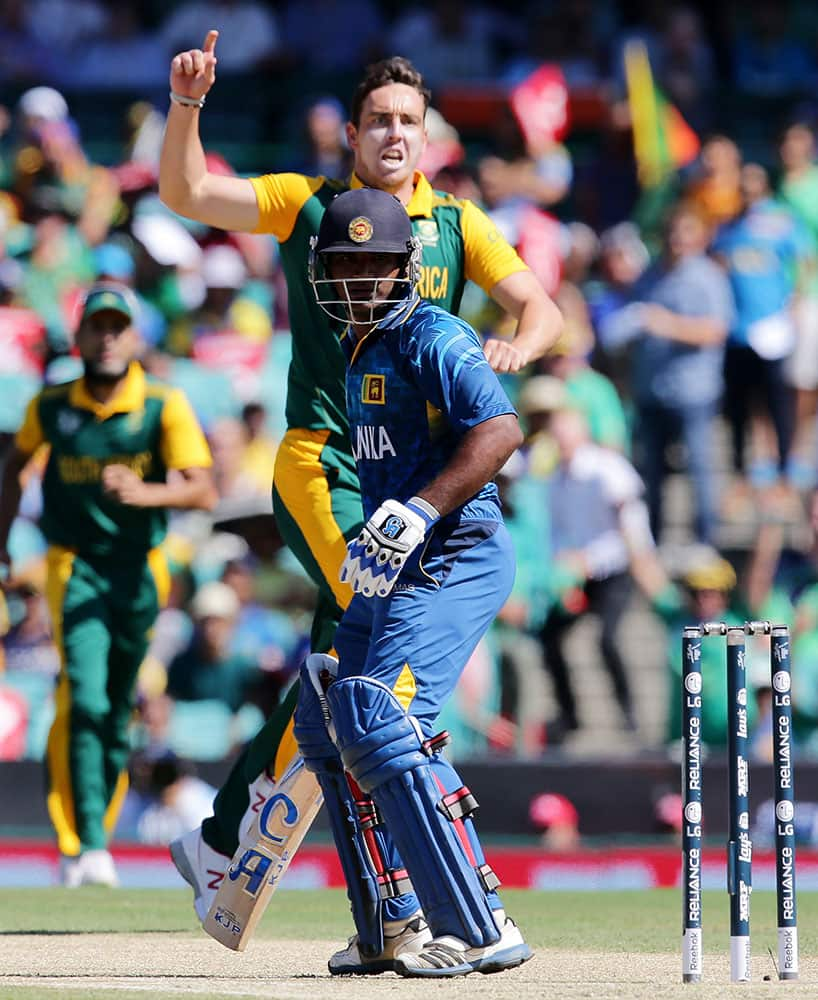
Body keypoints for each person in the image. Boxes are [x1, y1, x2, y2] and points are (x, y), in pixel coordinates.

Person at [159, 32, 562, 916]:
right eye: (377, 119)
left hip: (397, 485)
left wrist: (515, 349)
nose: (393, 134)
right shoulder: (309, 204)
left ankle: (224, 838)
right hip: (319, 458)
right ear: (350, 132)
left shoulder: (458, 223)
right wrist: (189, 104)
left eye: (408, 121)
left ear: (430, 136)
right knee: (365, 635)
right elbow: (185, 191)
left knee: (344, 663)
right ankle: (376, 878)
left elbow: (543, 308)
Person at [294, 186, 530, 976]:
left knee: (381, 716)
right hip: (397, 559)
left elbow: (500, 428)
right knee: (328, 712)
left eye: (376, 262)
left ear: (406, 270)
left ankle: (477, 923)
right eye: (346, 261)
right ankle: (392, 921)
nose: (360, 277)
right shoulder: (357, 345)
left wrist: (418, 512)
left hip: (456, 552)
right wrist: (382, 527)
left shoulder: (434, 333)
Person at [0, 283, 216, 887]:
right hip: (75, 567)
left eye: (119, 325)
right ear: (80, 336)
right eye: (98, 325)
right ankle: (86, 842)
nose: (109, 335)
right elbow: (15, 463)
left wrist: (146, 492)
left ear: (137, 335)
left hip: (141, 569)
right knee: (87, 698)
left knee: (118, 706)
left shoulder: (160, 404)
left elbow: (203, 489)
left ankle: (96, 838)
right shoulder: (49, 405)